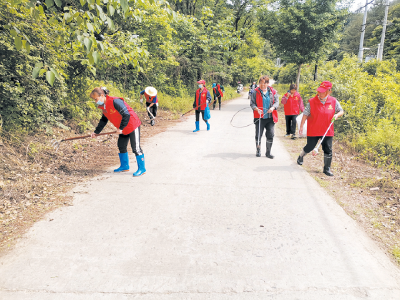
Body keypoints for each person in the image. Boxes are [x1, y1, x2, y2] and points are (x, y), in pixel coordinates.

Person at [90, 87, 146, 177]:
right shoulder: (104, 106)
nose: (96, 101)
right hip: (122, 128)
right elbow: (104, 120)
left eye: (96, 99)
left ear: (101, 95)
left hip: (132, 124)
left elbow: (126, 114)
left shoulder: (115, 101)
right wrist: (96, 132)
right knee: (121, 145)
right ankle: (124, 166)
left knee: (136, 148)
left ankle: (142, 169)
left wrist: (120, 128)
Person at [297, 81, 344, 176]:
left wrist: (337, 115)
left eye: (323, 92)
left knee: (328, 149)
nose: (320, 93)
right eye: (319, 91)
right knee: (310, 146)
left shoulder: (334, 101)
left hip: (327, 130)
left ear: (329, 91)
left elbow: (341, 111)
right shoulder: (312, 101)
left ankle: (327, 169)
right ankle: (301, 156)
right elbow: (305, 114)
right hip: (314, 129)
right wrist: (301, 126)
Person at [250, 75, 279, 158]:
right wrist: (256, 109)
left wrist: (273, 107)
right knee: (258, 134)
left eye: (264, 83)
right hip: (259, 117)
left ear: (268, 84)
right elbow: (252, 103)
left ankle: (268, 152)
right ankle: (258, 150)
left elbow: (277, 102)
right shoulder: (255, 92)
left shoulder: (273, 92)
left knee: (270, 134)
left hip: (270, 117)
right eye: (261, 83)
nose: (262, 85)